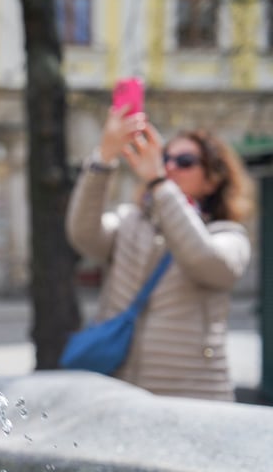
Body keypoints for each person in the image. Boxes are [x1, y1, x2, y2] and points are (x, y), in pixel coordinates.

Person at [65, 106, 256, 401]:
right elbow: (84, 235)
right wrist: (103, 159)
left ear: (213, 178)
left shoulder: (227, 234)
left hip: (194, 398)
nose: (170, 167)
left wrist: (159, 184)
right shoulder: (131, 222)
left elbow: (206, 261)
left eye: (185, 161)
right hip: (120, 390)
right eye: (165, 158)